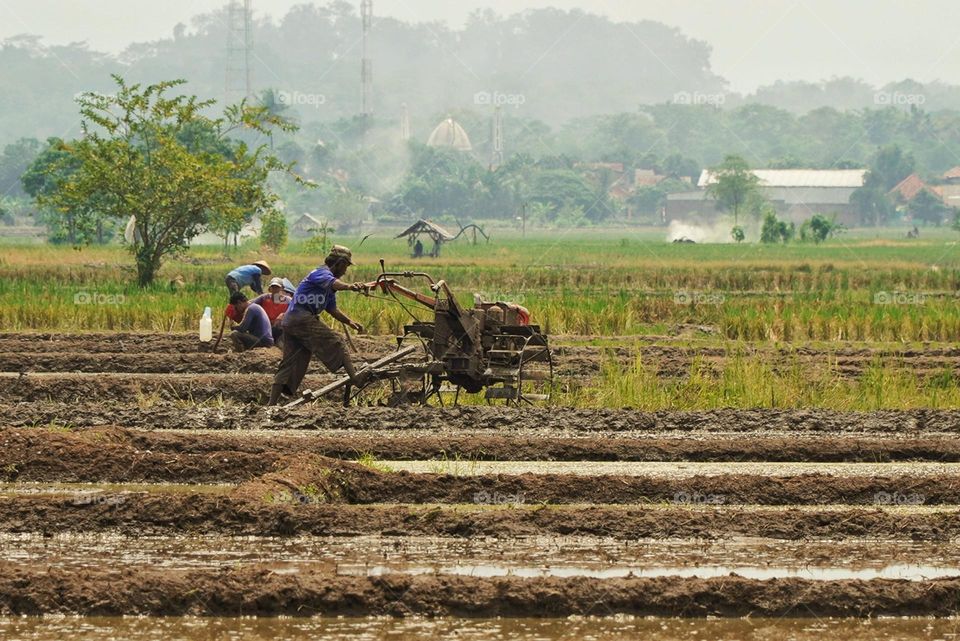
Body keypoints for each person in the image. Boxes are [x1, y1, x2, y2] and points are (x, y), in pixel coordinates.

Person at [268, 245, 366, 405]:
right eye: (346, 266)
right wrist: (350, 286)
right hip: (300, 318)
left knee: (291, 362)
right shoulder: (321, 273)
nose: (345, 271)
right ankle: (356, 379)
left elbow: (332, 309)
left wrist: (349, 322)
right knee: (338, 341)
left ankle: (271, 405)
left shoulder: (328, 288)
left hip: (291, 321)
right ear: (339, 263)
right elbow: (335, 283)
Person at [252, 277, 291, 342]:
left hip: (280, 328)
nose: (275, 289)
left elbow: (296, 309)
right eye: (273, 287)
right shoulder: (264, 297)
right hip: (265, 327)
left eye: (277, 287)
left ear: (282, 289)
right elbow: (250, 304)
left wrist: (284, 315)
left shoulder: (287, 300)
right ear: (270, 289)